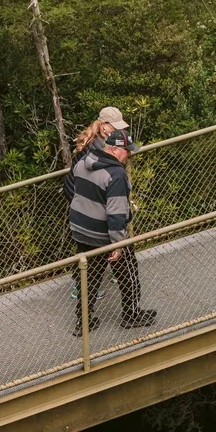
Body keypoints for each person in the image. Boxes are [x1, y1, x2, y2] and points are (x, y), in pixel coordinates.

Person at [69, 127, 157, 335]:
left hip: (81, 229)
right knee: (128, 273)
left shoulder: (83, 162)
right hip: (104, 235)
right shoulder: (116, 174)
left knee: (88, 278)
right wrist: (118, 243)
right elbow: (116, 213)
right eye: (127, 150)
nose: (129, 155)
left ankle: (84, 321)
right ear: (116, 150)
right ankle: (131, 315)